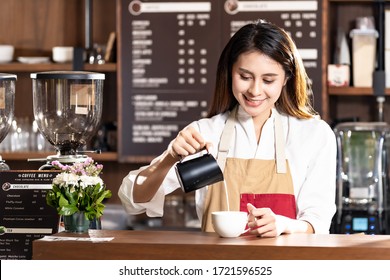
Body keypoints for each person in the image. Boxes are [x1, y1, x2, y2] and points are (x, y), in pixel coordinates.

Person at [119, 19, 337, 237]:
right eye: (244, 77)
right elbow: (134, 200)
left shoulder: (314, 134)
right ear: (229, 71)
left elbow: (317, 221)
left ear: (286, 79)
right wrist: (170, 157)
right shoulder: (205, 134)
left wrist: (284, 225)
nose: (255, 90)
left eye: (268, 80)